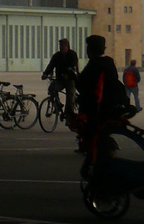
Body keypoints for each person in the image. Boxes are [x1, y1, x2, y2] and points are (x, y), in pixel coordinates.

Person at [74, 35, 123, 180]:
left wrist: (74, 77)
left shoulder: (93, 65)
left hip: (97, 110)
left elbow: (83, 87)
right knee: (102, 135)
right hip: (111, 107)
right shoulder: (109, 63)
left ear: (90, 49)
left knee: (93, 137)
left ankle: (97, 167)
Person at [42, 38, 79, 114]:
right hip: (60, 79)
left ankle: (69, 115)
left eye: (63, 45)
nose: (61, 47)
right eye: (60, 45)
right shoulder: (57, 55)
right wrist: (45, 73)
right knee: (52, 89)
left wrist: (68, 74)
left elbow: (73, 66)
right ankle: (58, 105)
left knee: (70, 97)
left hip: (70, 79)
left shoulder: (72, 54)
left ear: (67, 46)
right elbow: (51, 65)